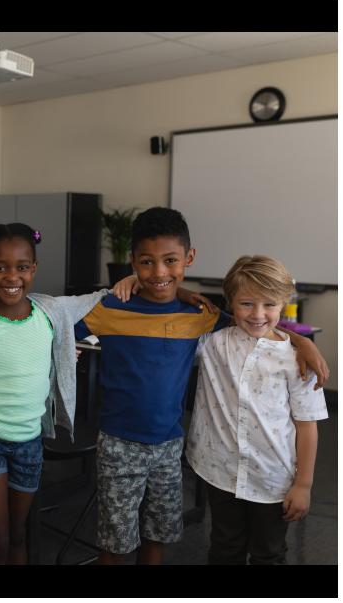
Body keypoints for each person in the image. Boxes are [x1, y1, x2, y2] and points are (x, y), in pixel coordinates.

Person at [76, 207, 329, 565]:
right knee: (119, 543)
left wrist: (302, 342)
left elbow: (258, 330)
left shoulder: (204, 320)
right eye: (146, 263)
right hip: (125, 445)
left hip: (172, 447)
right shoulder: (121, 307)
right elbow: (52, 323)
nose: (159, 272)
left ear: (188, 258)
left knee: (164, 536)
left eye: (170, 261)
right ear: (133, 261)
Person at [0, 223, 116, 565]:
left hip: (30, 440)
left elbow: (103, 296)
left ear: (34, 268)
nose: (11, 277)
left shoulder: (51, 311)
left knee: (19, 535)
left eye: (21, 267)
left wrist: (177, 294)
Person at [186, 255, 328, 564]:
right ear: (230, 302)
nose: (258, 314)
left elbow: (307, 426)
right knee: (224, 548)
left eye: (269, 305)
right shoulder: (212, 342)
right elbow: (173, 311)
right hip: (220, 471)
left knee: (268, 554)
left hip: (273, 478)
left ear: (284, 303)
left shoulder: (297, 360)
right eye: (247, 304)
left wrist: (303, 484)